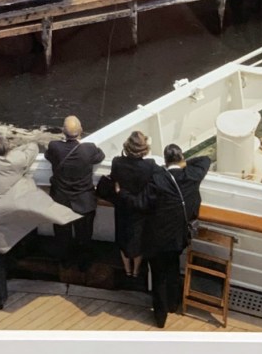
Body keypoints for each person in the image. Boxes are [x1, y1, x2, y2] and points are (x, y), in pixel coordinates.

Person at [0, 136, 80, 310]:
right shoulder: (18, 159)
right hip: (11, 213)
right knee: (21, 231)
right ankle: (16, 263)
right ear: (9, 149)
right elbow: (33, 146)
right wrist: (16, 150)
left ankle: (0, 299)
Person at [136, 144, 212, 328]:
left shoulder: (158, 179)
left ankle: (160, 317)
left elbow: (142, 203)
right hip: (179, 237)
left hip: (157, 239)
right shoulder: (192, 176)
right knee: (172, 268)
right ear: (182, 159)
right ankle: (173, 304)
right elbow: (205, 159)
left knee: (159, 275)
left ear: (165, 160)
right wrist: (183, 163)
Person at [45, 116, 105, 269]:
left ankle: (65, 263)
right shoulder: (89, 148)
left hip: (61, 200)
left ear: (63, 132)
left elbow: (47, 156)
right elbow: (101, 156)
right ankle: (84, 266)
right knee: (84, 237)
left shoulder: (55, 147)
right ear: (81, 131)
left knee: (62, 236)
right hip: (84, 200)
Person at [110, 130, 157, 280]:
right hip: (141, 209)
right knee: (139, 240)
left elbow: (114, 180)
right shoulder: (150, 166)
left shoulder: (117, 162)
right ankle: (136, 271)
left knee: (122, 238)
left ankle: (127, 270)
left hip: (123, 207)